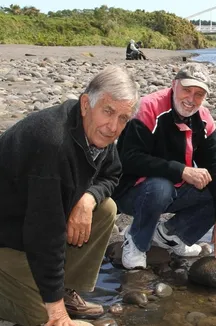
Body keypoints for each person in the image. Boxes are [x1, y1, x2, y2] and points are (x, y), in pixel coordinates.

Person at [0, 66, 139, 326]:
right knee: (43, 317)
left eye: (123, 118)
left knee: (105, 208)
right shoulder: (52, 143)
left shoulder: (98, 135)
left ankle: (64, 290)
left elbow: (112, 175)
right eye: (108, 111)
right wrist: (55, 312)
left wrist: (88, 199)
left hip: (26, 228)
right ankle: (51, 300)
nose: (113, 127)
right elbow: (44, 234)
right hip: (7, 237)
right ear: (86, 104)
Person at [113, 63, 216, 270]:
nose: (191, 99)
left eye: (199, 94)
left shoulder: (203, 119)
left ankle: (170, 235)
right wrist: (181, 170)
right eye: (187, 90)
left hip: (172, 189)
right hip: (130, 190)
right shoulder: (147, 108)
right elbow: (128, 159)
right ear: (174, 85)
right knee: (160, 186)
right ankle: (136, 240)